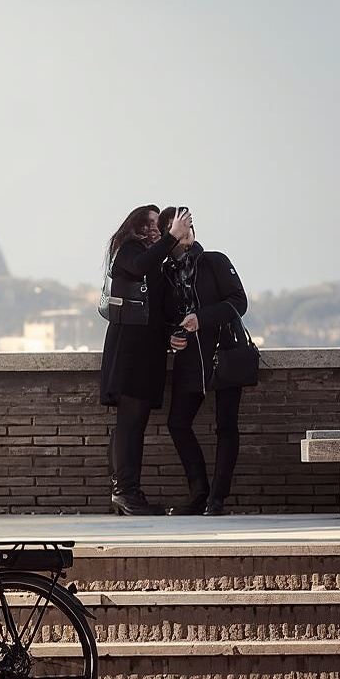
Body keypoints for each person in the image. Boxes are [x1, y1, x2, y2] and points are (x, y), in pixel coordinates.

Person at [100, 205, 193, 515]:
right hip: (129, 353)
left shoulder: (156, 261)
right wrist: (172, 236)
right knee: (129, 423)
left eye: (159, 224)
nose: (155, 229)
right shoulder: (127, 251)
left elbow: (159, 310)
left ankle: (128, 491)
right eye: (150, 223)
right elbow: (139, 266)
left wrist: (171, 334)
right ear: (136, 225)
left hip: (147, 353)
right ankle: (124, 492)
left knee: (135, 424)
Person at [159, 207, 248, 516]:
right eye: (178, 232)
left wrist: (202, 317)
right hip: (189, 359)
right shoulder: (166, 274)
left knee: (226, 426)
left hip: (224, 353)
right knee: (177, 423)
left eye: (188, 230)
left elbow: (239, 302)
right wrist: (172, 336)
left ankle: (217, 499)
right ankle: (200, 493)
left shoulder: (214, 261)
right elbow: (168, 317)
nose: (186, 236)